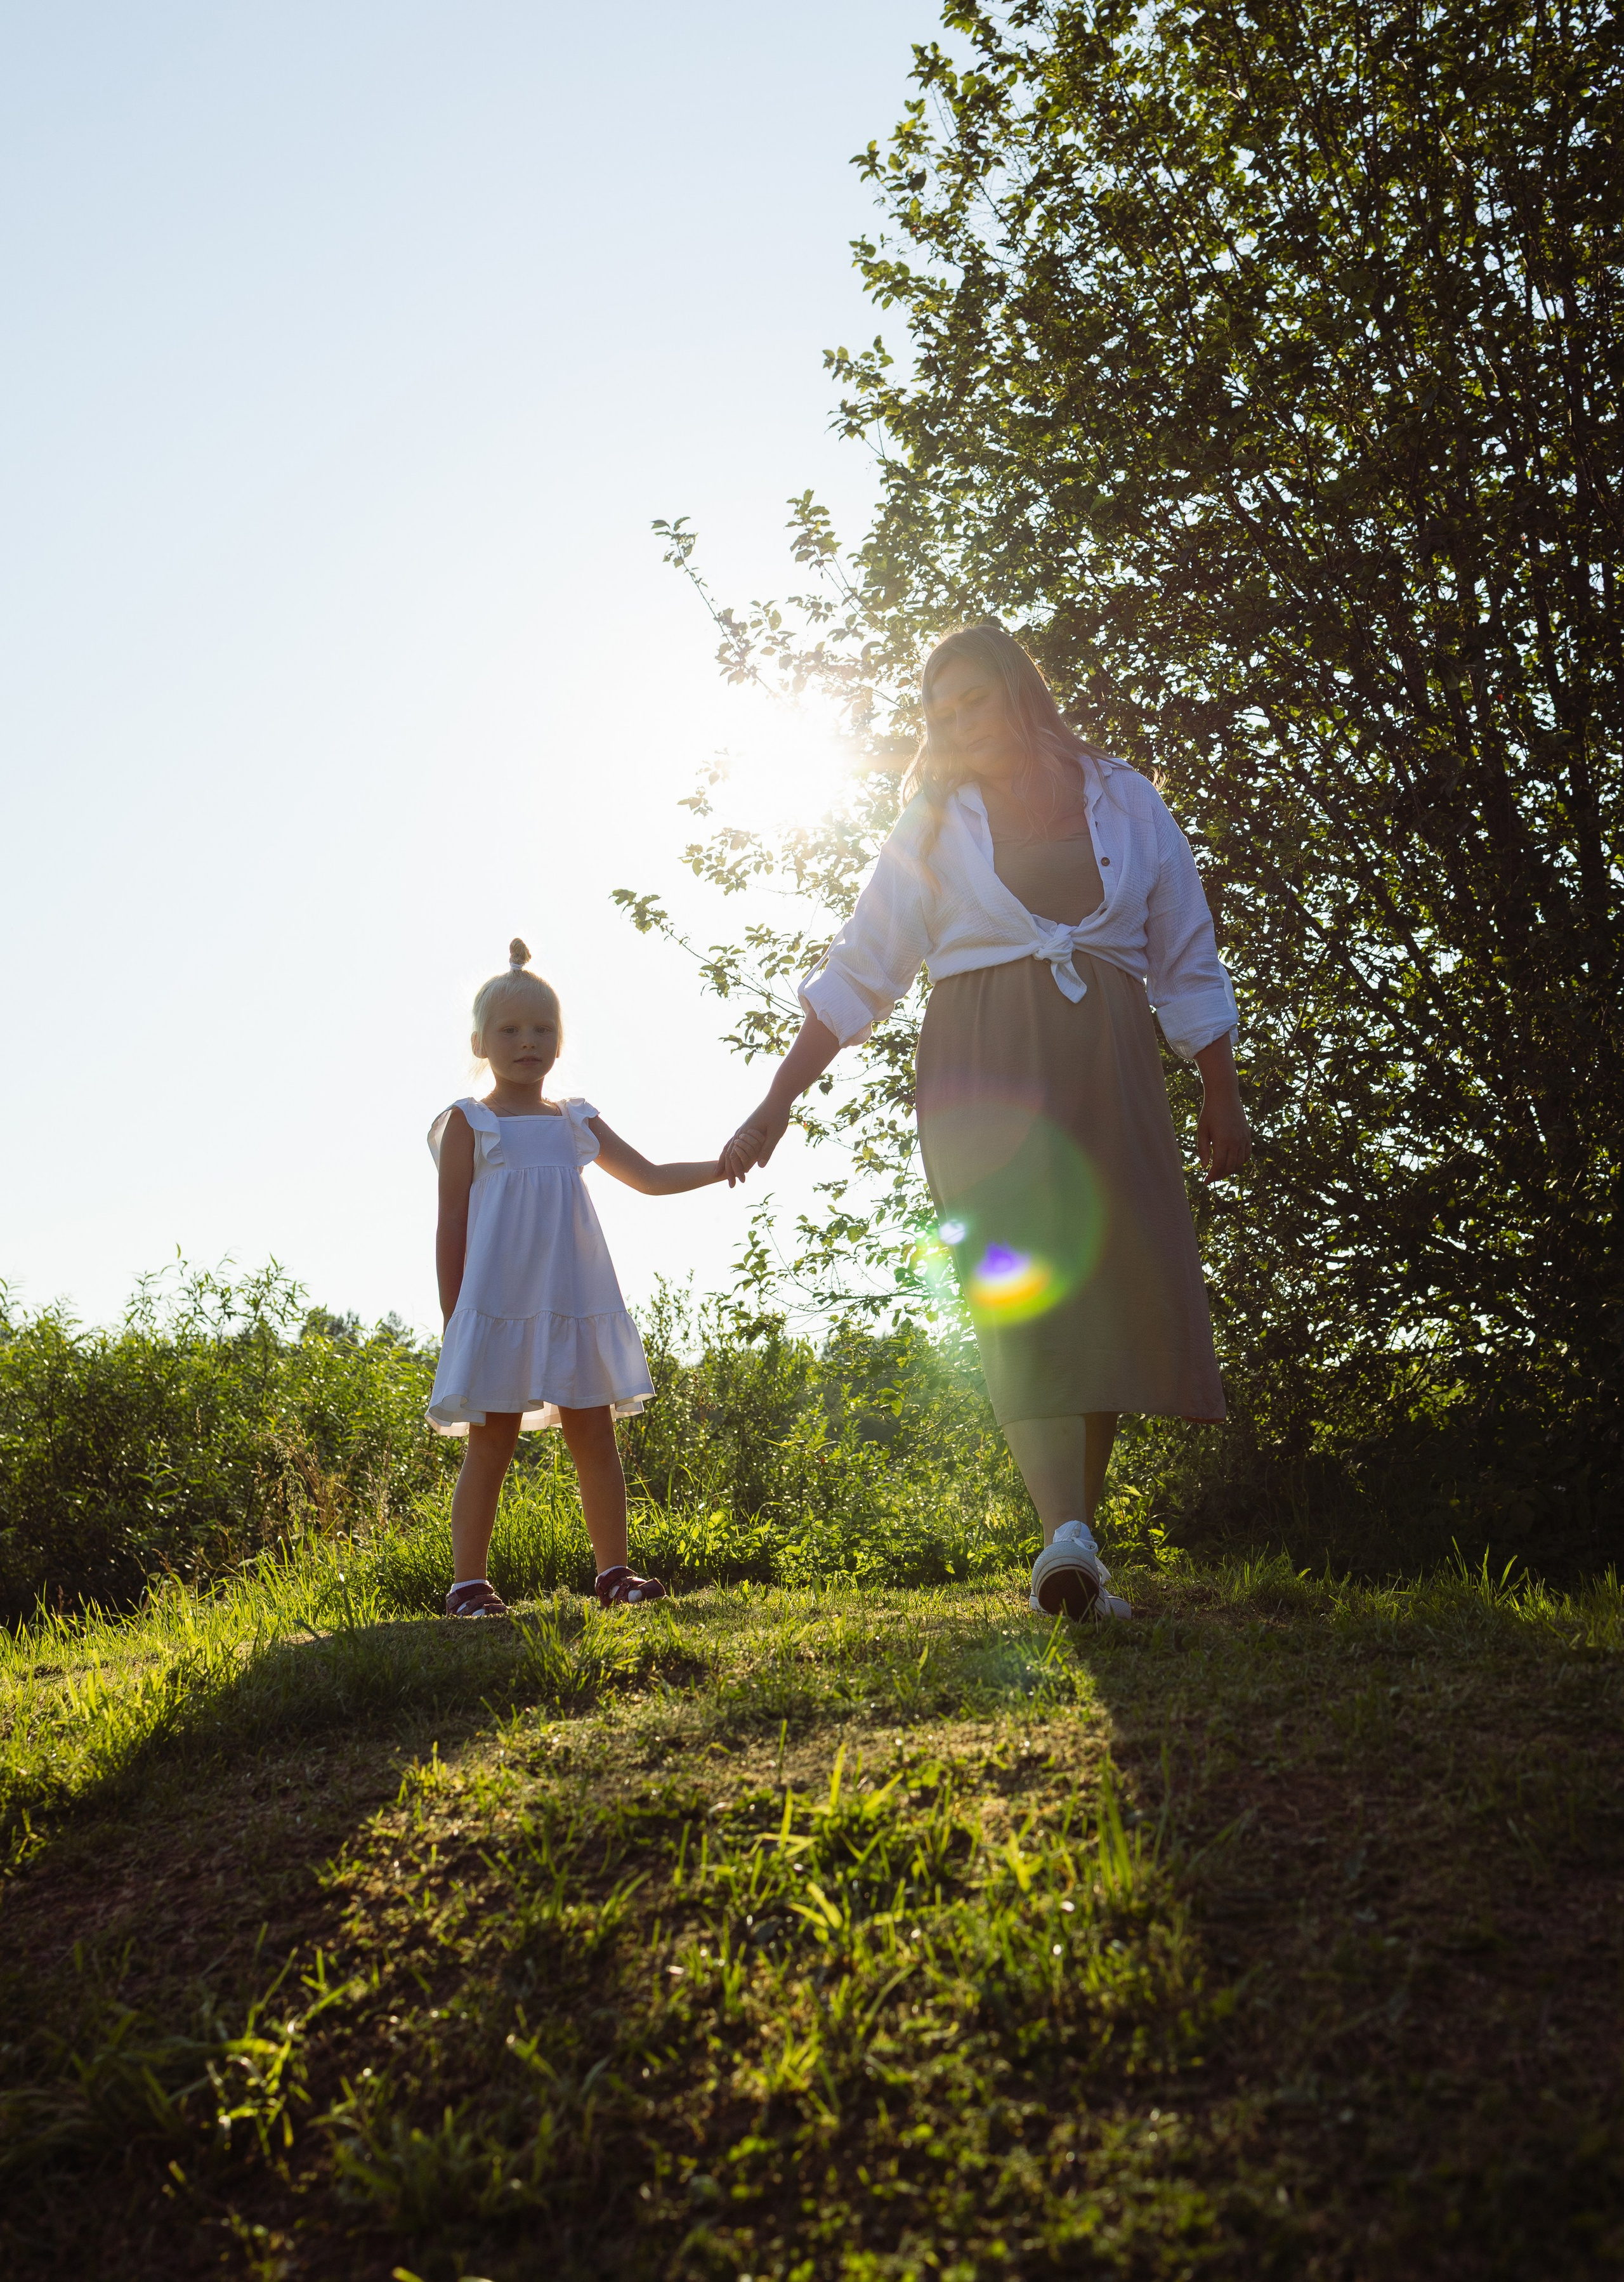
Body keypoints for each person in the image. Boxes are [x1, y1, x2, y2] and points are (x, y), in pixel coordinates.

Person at [722, 623, 1250, 1623]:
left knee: (1100, 1286)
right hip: (983, 1072)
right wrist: (775, 1101)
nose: (955, 724)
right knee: (1020, 1285)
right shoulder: (931, 821)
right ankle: (1065, 1533)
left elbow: (1185, 951)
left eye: (970, 700)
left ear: (1019, 691)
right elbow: (860, 967)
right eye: (938, 713)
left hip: (1114, 1067)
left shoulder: (1125, 797)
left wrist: (1220, 1085)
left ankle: (1073, 1545)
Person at [429, 939, 724, 1617]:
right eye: (509, 1030)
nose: (527, 1042)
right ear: (480, 1041)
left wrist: (720, 1165)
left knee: (593, 1432)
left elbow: (648, 1178)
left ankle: (614, 1574)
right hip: (498, 1306)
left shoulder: (575, 1120)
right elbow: (449, 1224)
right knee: (492, 1439)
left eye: (542, 1030)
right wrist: (455, 1318)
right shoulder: (468, 1124)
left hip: (572, 1300)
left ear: (561, 1043)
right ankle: (467, 1585)